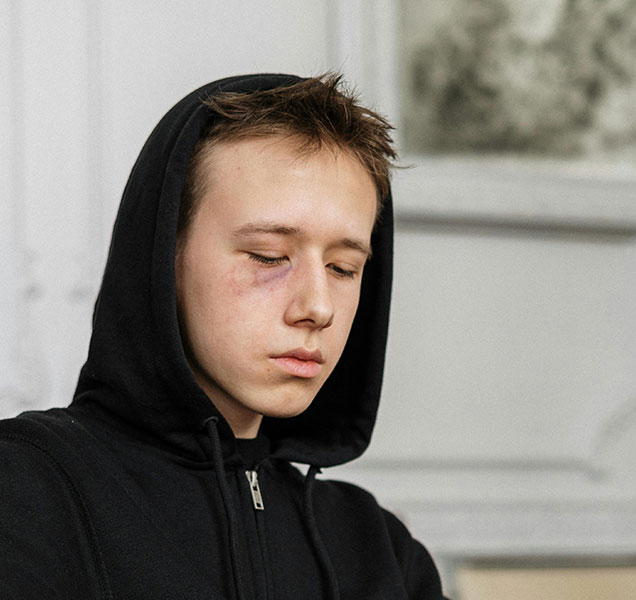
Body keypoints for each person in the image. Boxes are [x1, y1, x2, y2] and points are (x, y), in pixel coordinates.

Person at [0, 73, 447, 599]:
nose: (318, 307)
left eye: (343, 268)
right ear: (163, 257)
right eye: (268, 257)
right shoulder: (25, 491)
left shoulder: (381, 550)